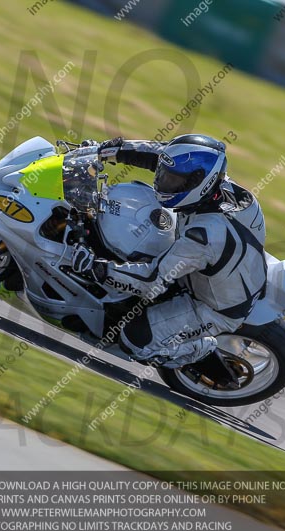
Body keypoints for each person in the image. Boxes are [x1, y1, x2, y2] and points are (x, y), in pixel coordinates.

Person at [71, 134, 268, 369]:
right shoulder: (220, 188)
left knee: (135, 340)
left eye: (171, 180)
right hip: (218, 269)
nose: (162, 183)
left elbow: (150, 280)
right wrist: (108, 150)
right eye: (164, 176)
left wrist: (97, 268)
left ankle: (203, 350)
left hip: (212, 306)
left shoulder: (206, 236)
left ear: (198, 183)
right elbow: (161, 155)